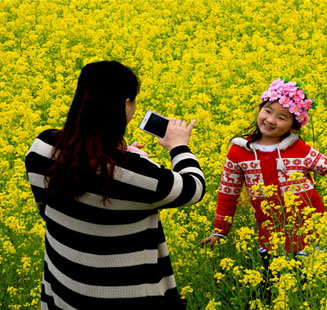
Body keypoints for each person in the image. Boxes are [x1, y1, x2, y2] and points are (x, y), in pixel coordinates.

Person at [25, 61, 205, 310]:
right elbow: (193, 187)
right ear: (125, 104)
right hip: (123, 298)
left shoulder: (42, 147)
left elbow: (47, 208)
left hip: (64, 290)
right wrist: (179, 147)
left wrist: (118, 154)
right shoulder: (138, 176)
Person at [200, 78, 327, 260]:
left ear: (294, 126)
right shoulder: (239, 151)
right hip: (271, 232)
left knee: (307, 283)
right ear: (259, 109)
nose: (271, 120)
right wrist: (220, 230)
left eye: (282, 118)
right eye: (267, 111)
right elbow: (228, 193)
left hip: (310, 229)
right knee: (273, 283)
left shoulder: (299, 150)